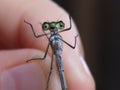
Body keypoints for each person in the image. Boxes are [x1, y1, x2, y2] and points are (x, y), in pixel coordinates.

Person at [0, 0, 95, 90]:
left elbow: (70, 36)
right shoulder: (51, 36)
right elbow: (37, 36)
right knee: (50, 69)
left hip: (57, 53)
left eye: (56, 25)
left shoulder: (50, 36)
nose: (53, 27)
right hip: (56, 53)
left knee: (51, 67)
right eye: (49, 26)